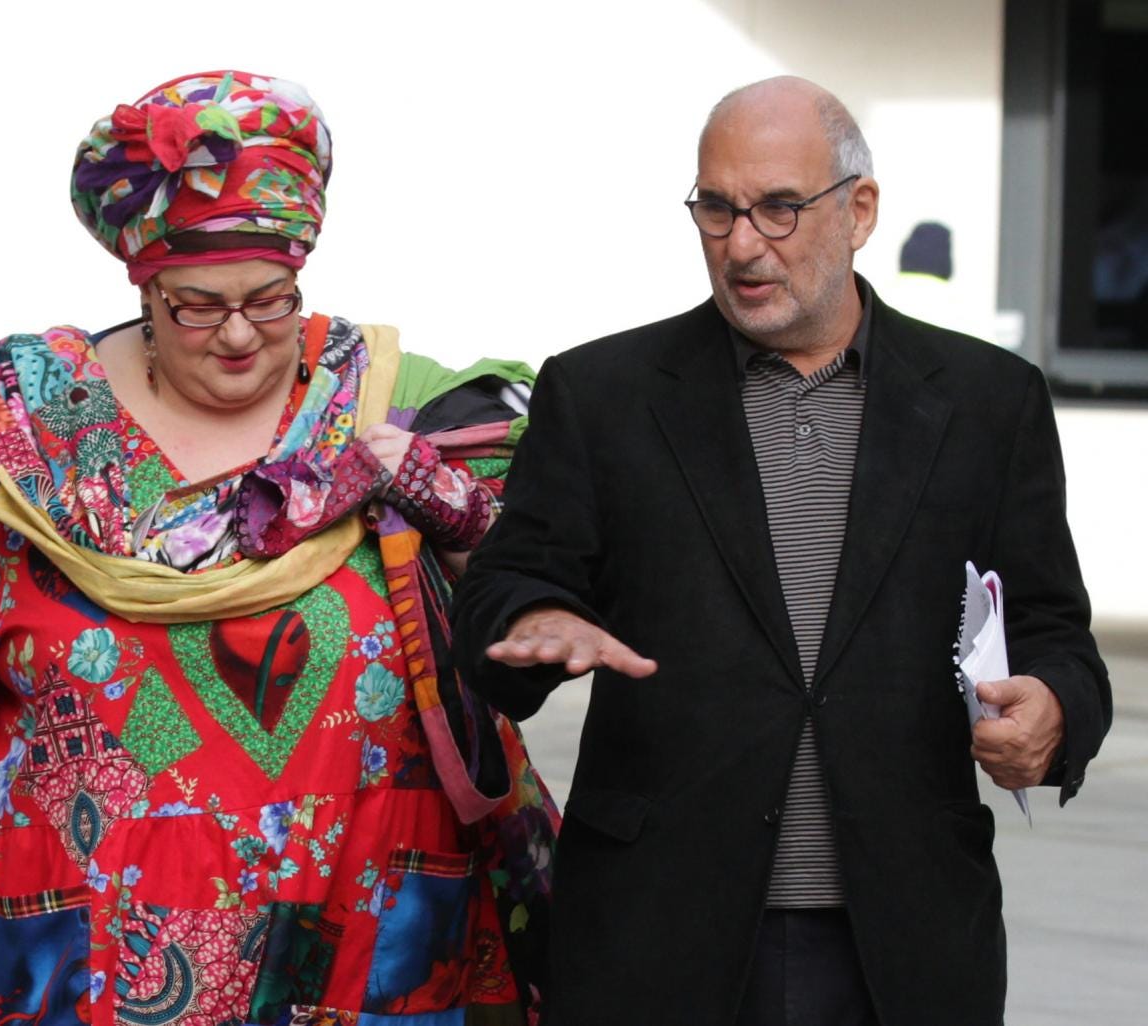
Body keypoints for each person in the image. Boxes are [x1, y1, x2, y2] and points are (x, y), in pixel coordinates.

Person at [0, 70, 557, 1026]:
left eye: (271, 299)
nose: (242, 335)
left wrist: (433, 492)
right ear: (145, 288)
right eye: (199, 306)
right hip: (72, 949)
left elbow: (535, 551)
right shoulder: (28, 432)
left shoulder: (396, 406)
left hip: (360, 933)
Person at [451, 76, 1112, 1026]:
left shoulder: (987, 402)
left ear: (861, 210)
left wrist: (1051, 709)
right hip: (660, 931)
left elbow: (1056, 635)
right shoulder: (603, 394)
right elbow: (504, 589)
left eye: (778, 208)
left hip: (904, 935)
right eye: (715, 209)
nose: (742, 244)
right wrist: (532, 618)